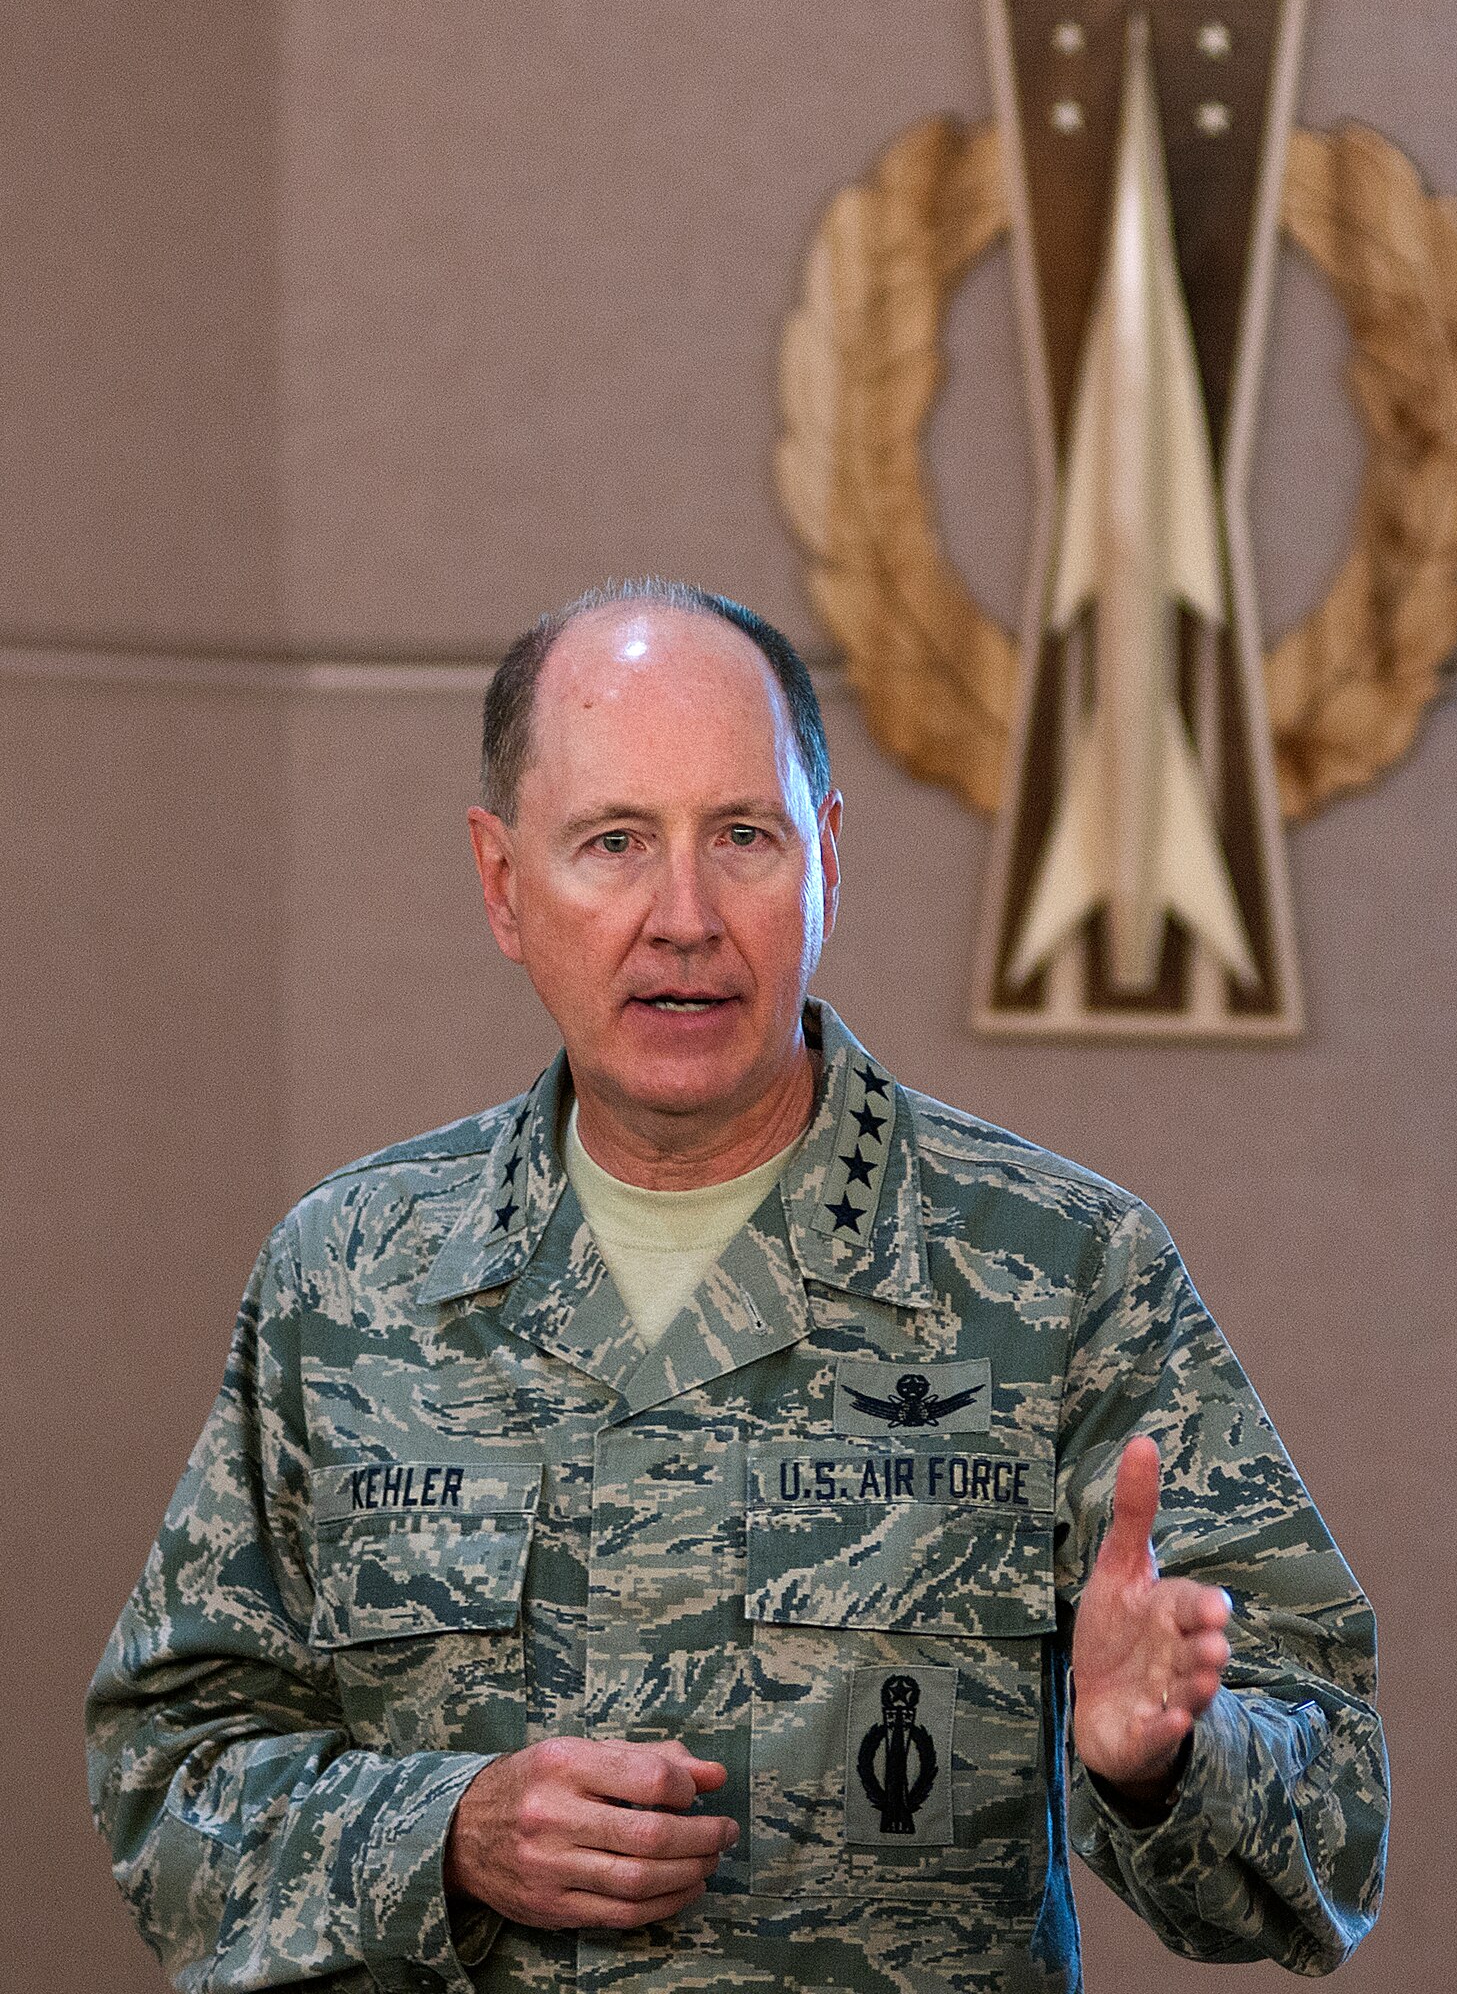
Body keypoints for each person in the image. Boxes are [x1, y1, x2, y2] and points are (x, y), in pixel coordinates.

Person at [88, 578, 1388, 1994]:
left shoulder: (1064, 1273)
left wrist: (1167, 1762)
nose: (685, 916)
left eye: (744, 837)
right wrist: (443, 1835)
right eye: (614, 843)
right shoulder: (345, 1280)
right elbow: (172, 1782)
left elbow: (1336, 1838)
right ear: (503, 885)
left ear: (828, 859)